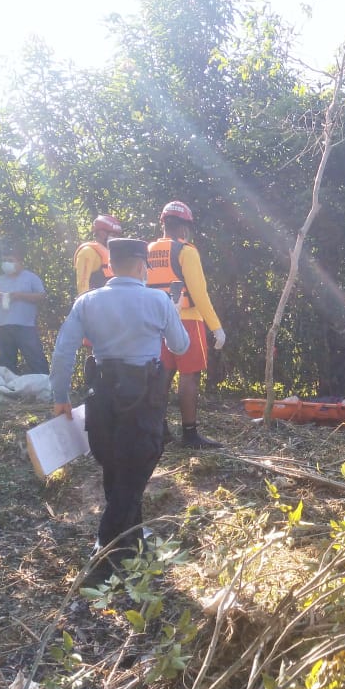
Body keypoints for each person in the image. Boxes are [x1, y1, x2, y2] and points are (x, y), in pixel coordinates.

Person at [49, 238, 189, 580]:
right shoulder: (158, 300)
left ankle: (133, 539)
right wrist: (172, 307)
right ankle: (104, 547)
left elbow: (63, 351)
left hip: (102, 397)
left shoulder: (87, 301)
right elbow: (180, 345)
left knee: (115, 466)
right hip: (143, 399)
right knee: (135, 467)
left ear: (110, 265)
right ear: (142, 266)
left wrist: (60, 395)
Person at [147, 200, 227, 449]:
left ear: (163, 223)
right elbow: (199, 294)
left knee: (163, 375)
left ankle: (160, 431)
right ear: (184, 227)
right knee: (189, 376)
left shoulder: (146, 250)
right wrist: (216, 327)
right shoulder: (186, 251)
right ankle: (190, 434)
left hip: (156, 323)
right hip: (188, 321)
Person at [0, 247, 49, 375]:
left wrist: (20, 295)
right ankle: (9, 391)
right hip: (3, 326)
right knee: (6, 363)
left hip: (25, 326)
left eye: (10, 260)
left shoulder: (31, 277)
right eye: (4, 261)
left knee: (35, 359)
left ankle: (45, 389)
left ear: (20, 262)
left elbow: (42, 296)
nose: (6, 263)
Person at [74, 214, 123, 295]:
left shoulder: (110, 252)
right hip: (95, 302)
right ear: (101, 233)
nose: (115, 238)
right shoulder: (87, 251)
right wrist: (87, 304)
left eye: (117, 235)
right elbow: (82, 283)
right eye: (113, 235)